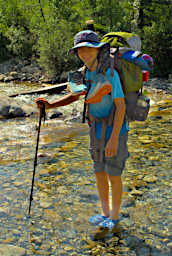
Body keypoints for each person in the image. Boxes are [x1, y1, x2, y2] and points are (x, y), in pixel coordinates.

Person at [36, 30, 129, 234]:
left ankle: (115, 216)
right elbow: (75, 97)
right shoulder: (85, 73)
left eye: (88, 49)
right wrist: (50, 105)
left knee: (113, 173)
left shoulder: (110, 73)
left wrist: (114, 139)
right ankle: (105, 213)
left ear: (96, 50)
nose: (85, 53)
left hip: (116, 129)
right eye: (80, 50)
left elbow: (121, 107)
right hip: (95, 128)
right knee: (99, 172)